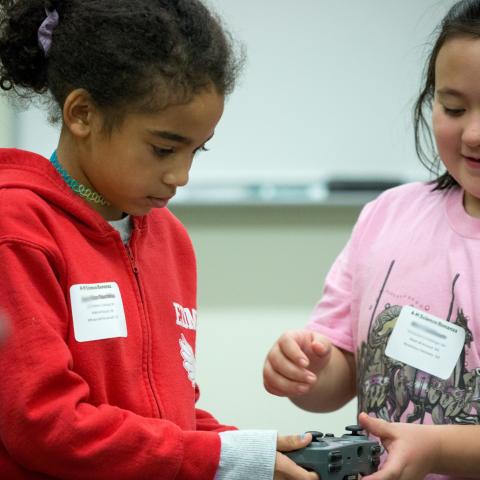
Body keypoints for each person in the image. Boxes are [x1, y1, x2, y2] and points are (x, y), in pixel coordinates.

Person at [0, 1, 318, 479]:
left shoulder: (171, 240)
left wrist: (244, 449)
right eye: (164, 148)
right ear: (82, 114)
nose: (181, 175)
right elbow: (46, 424)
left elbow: (168, 418)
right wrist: (216, 460)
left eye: (197, 149)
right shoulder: (18, 229)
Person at [263, 1, 480, 479]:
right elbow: (340, 375)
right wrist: (305, 371)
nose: (473, 134)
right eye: (454, 108)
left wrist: (437, 449)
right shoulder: (388, 215)